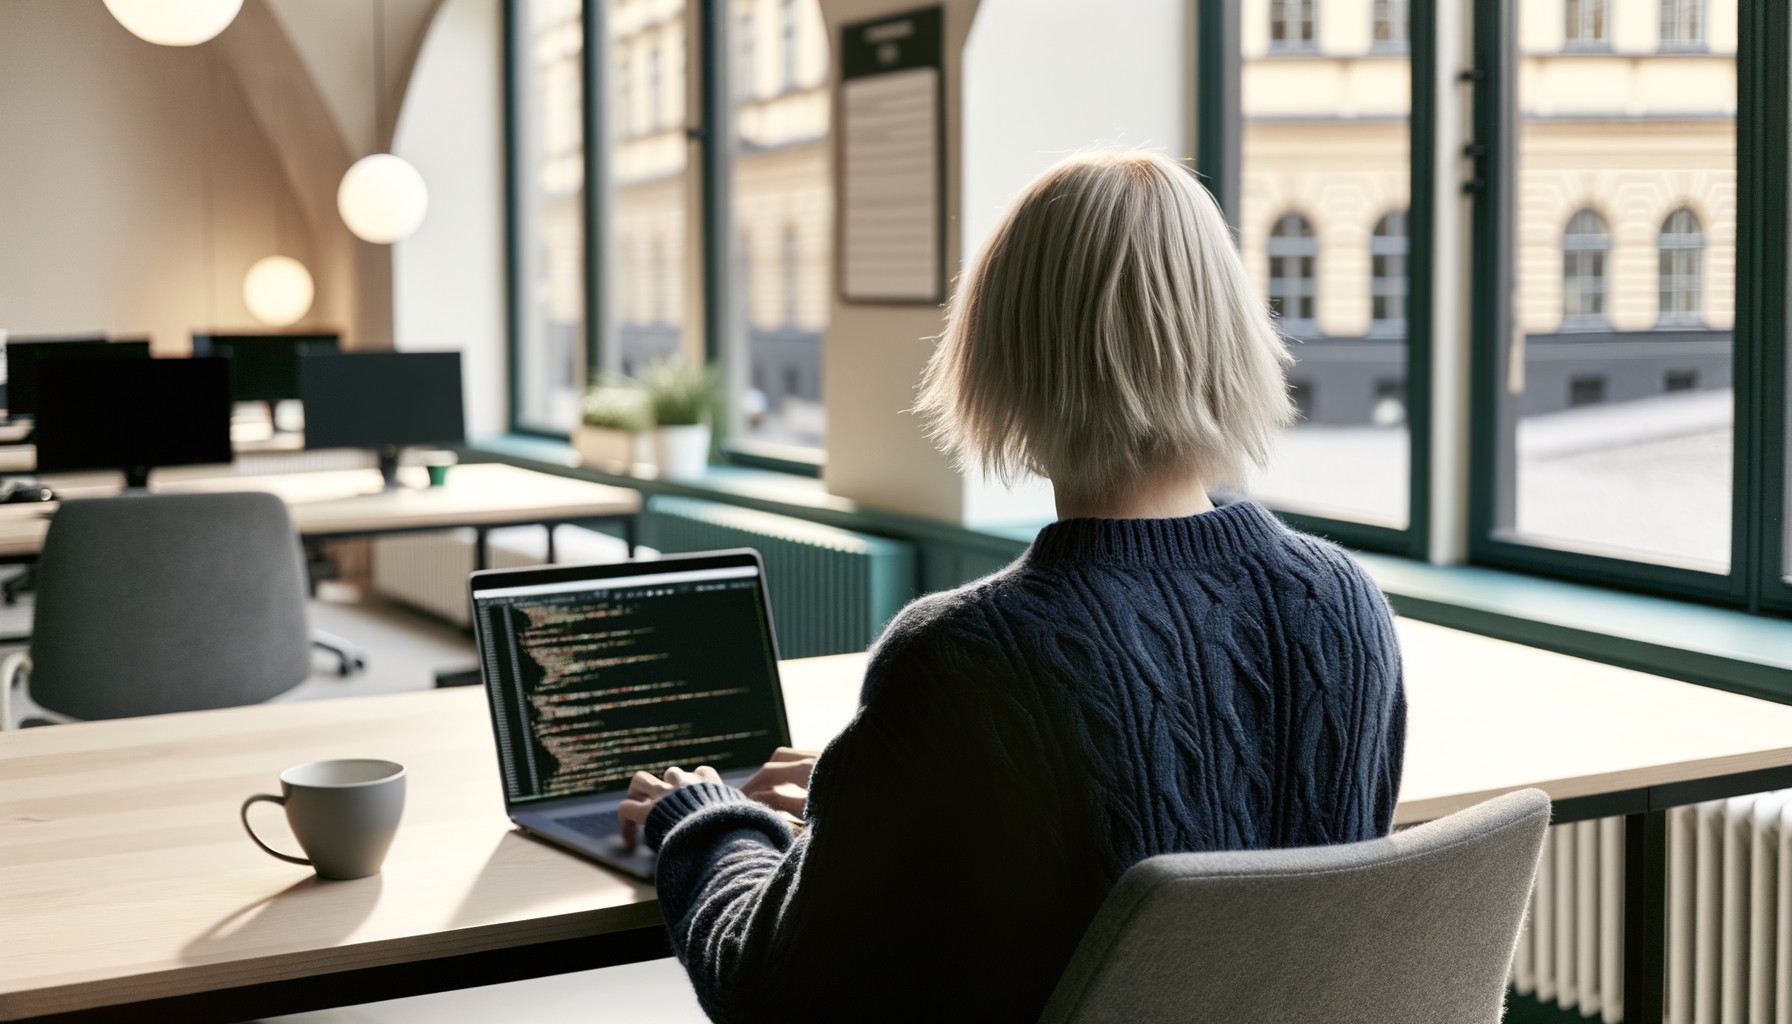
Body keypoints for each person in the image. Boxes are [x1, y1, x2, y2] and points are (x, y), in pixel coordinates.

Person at [618, 151, 1407, 1022]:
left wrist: (710, 821)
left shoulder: (960, 663)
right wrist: (866, 798)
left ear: (1001, 356)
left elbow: (772, 995)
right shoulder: (1343, 605)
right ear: (1231, 337)